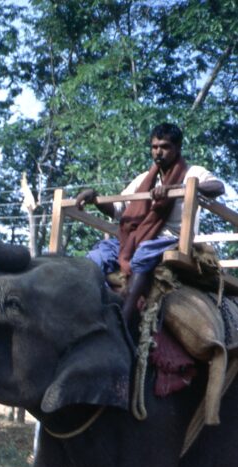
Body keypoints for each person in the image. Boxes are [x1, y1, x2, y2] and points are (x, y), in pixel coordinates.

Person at [75, 122, 225, 336]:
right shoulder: (144, 179)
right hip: (133, 238)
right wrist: (95, 197)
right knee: (96, 255)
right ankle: (97, 309)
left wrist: (181, 188)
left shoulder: (192, 172)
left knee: (144, 254)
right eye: (154, 147)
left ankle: (124, 321)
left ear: (178, 148)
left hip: (168, 239)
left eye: (164, 147)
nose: (158, 152)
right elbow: (118, 209)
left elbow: (218, 187)